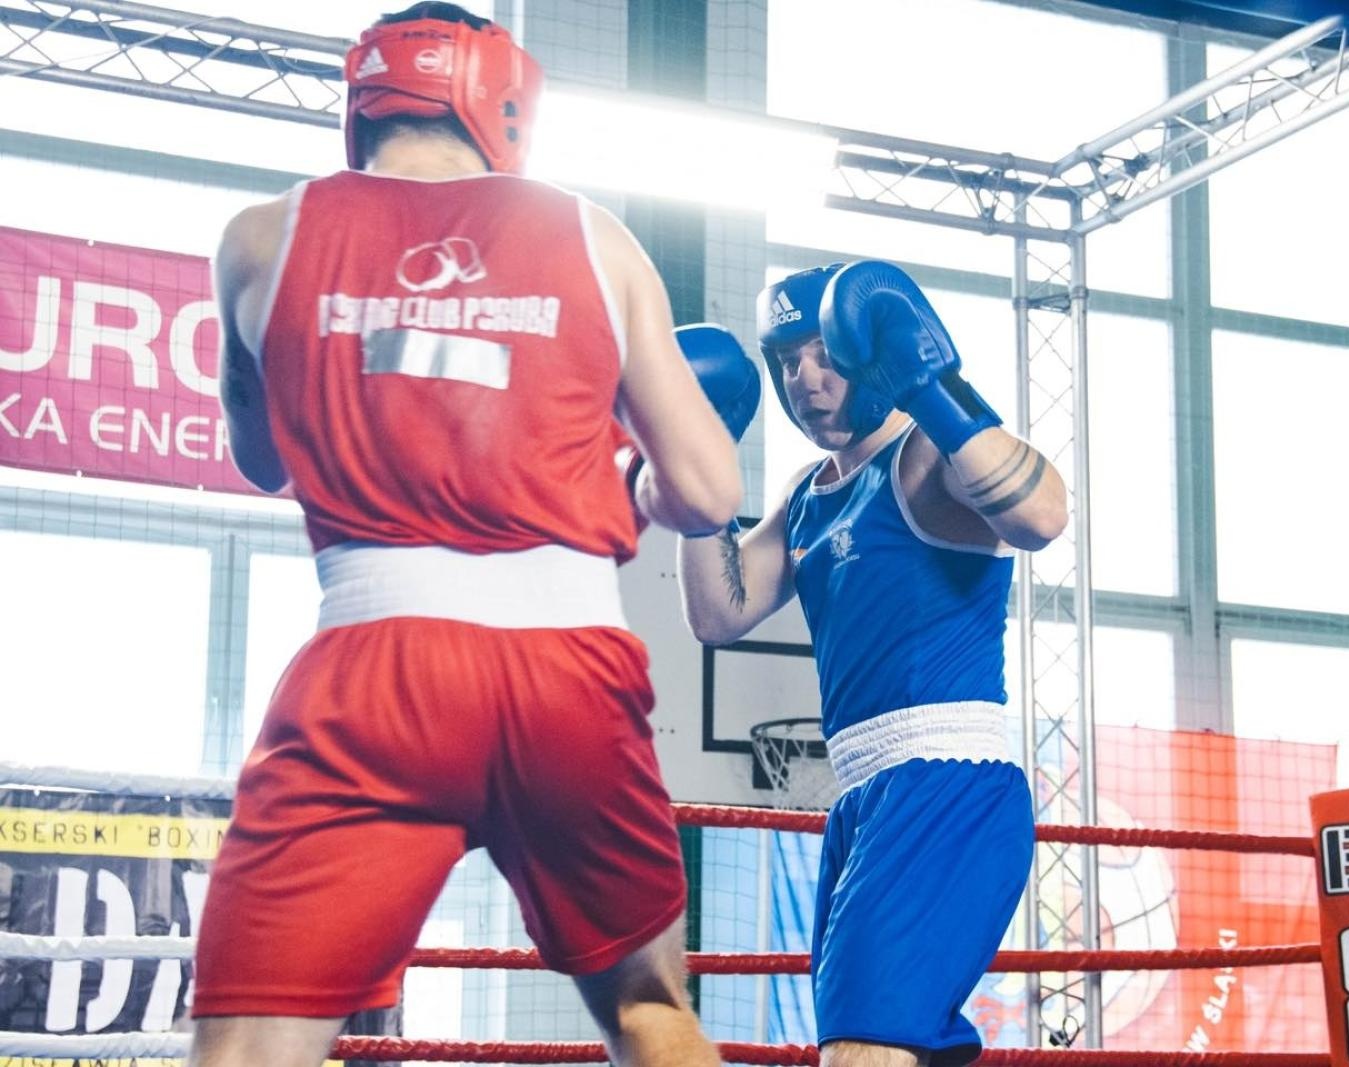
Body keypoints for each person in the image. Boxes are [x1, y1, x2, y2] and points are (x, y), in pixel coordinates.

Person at [191, 5, 748, 1066]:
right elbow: (709, 493)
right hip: (568, 670)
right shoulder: (594, 235)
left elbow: (261, 461)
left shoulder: (260, 238)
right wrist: (627, 471)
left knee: (248, 1042)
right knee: (648, 1004)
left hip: (372, 672)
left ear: (363, 100)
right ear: (505, 101)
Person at [677, 260, 1068, 1066]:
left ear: (871, 350)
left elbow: (1043, 514)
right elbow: (719, 613)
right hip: (863, 797)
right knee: (882, 1045)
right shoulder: (809, 494)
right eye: (787, 361)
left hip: (944, 782)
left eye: (824, 354)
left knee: (862, 1046)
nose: (804, 379)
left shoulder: (927, 452)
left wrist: (933, 386)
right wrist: (699, 464)